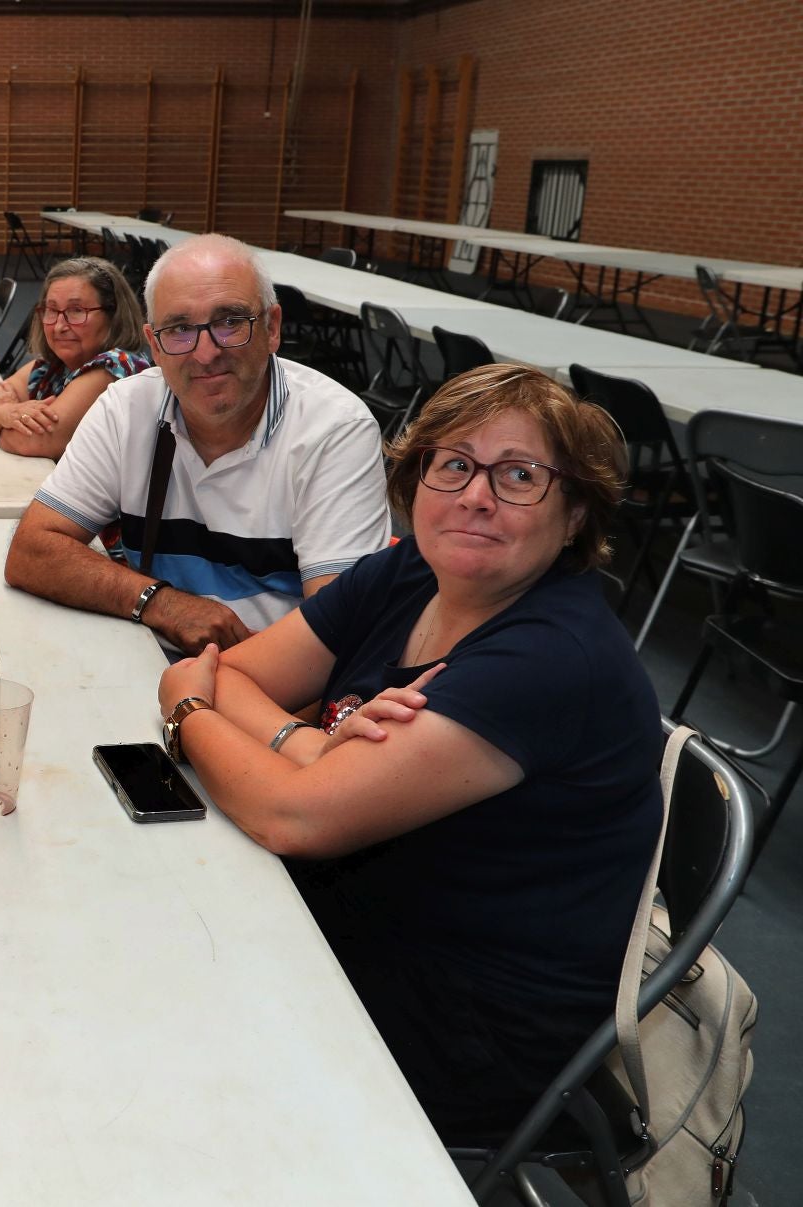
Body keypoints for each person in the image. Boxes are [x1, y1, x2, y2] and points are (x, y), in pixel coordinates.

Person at [157, 364, 657, 1136]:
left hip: (467, 1022)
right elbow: (244, 673)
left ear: (574, 514)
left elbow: (291, 814)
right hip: (365, 918)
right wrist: (310, 742)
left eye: (518, 475)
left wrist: (184, 708)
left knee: (165, 1016)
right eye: (453, 464)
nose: (475, 495)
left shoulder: (551, 657)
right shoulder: (413, 569)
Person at [5, 233, 390, 653]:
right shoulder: (125, 408)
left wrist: (205, 695)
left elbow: (336, 634)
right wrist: (163, 604)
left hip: (276, 687)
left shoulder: (334, 429)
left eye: (230, 322)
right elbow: (31, 551)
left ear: (272, 328)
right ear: (154, 344)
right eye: (180, 329)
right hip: (149, 661)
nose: (205, 353)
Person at [0, 256, 150, 459]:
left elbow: (27, 441)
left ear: (113, 315)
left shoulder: (113, 368)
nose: (59, 326)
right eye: (52, 310)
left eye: (76, 311)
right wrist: (7, 412)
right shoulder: (50, 367)